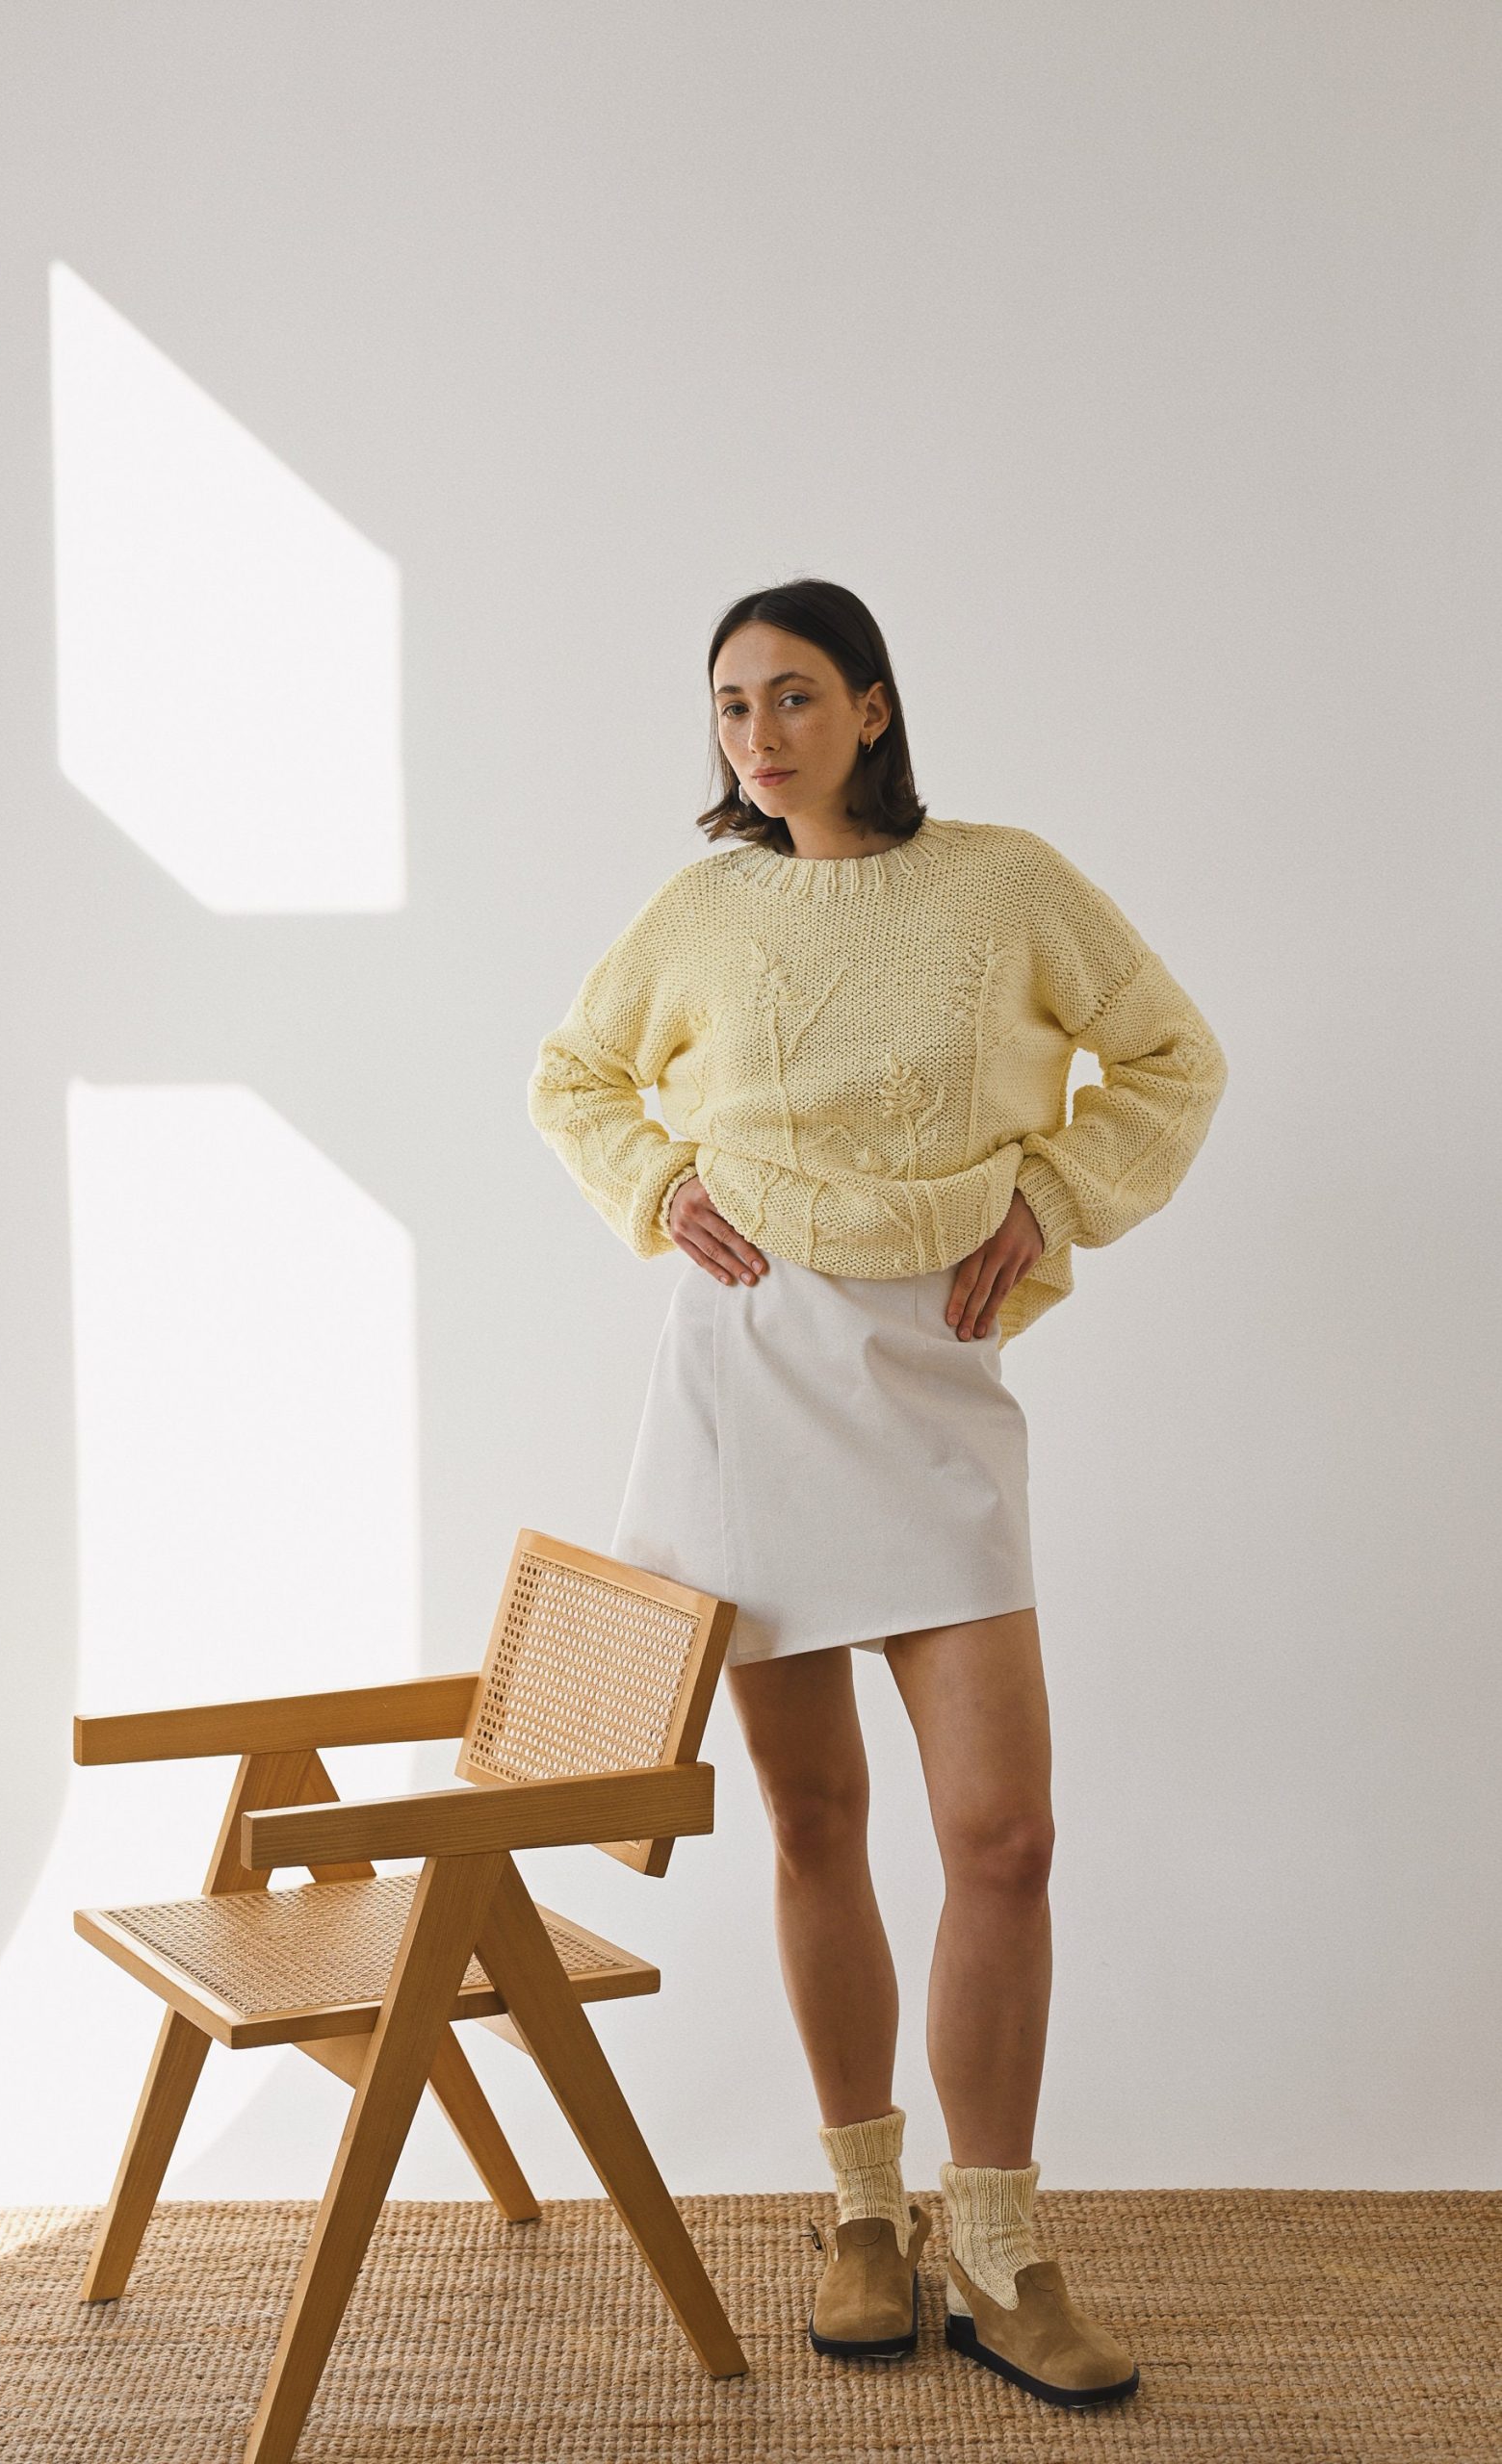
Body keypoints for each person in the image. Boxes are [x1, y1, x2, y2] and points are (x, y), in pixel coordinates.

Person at [526, 577, 1228, 2409]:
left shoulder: (1007, 885)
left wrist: (1050, 1200)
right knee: (814, 1818)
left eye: (793, 696)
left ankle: (996, 2240)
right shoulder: (703, 907)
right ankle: (859, 2211)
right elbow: (575, 1074)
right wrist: (658, 1185)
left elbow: (1173, 1056)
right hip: (745, 1377)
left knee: (1005, 1836)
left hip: (932, 1379)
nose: (759, 735)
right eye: (730, 705)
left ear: (875, 706)